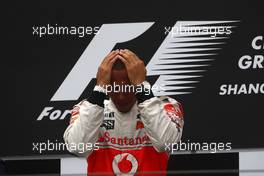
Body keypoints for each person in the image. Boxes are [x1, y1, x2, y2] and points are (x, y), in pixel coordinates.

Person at [63, 49, 184, 175]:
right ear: (105, 85)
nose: (121, 96)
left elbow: (165, 143)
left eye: (127, 87)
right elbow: (77, 147)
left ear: (138, 81)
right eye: (115, 88)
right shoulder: (87, 109)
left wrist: (143, 89)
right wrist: (98, 90)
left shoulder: (166, 106)